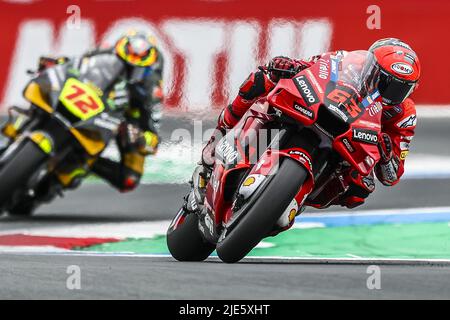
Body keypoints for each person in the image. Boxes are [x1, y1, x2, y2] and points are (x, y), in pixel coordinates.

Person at [190, 38, 420, 218]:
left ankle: (293, 199)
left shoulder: (404, 115)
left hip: (348, 147)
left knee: (362, 188)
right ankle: (219, 136)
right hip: (315, 110)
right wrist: (289, 66)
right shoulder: (347, 62)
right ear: (372, 68)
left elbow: (391, 176)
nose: (389, 93)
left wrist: (387, 154)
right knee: (264, 78)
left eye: (399, 89)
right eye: (385, 81)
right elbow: (313, 67)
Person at [29, 31, 164, 192]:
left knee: (129, 178)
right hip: (87, 97)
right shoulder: (104, 52)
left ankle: (82, 166)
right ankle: (20, 127)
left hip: (120, 120)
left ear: (147, 69)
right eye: (122, 64)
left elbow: (154, 138)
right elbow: (76, 63)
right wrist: (59, 63)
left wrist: (140, 138)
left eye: (135, 69)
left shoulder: (152, 91)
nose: (127, 72)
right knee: (44, 90)